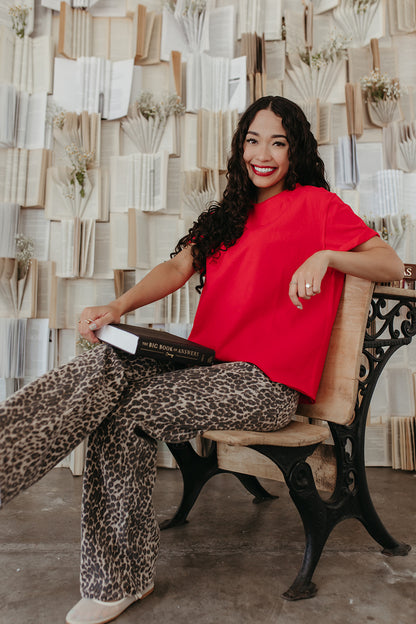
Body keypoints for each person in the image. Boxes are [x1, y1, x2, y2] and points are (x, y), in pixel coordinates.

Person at [0, 95, 403, 624]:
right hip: (206, 369)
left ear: (295, 151)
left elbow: (390, 262)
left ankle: (118, 580)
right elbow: (176, 268)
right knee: (106, 363)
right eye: (252, 141)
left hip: (264, 385)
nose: (262, 154)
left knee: (130, 412)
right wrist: (117, 307)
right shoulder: (226, 217)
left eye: (277, 143)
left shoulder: (318, 207)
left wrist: (326, 256)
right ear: (240, 148)